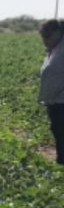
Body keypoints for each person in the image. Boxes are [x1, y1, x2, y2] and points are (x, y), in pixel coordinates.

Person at [38, 19, 64, 164]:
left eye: (47, 37)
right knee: (58, 130)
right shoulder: (56, 48)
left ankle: (62, 162)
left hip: (62, 101)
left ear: (57, 33)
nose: (45, 41)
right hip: (55, 100)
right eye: (43, 37)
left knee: (61, 131)